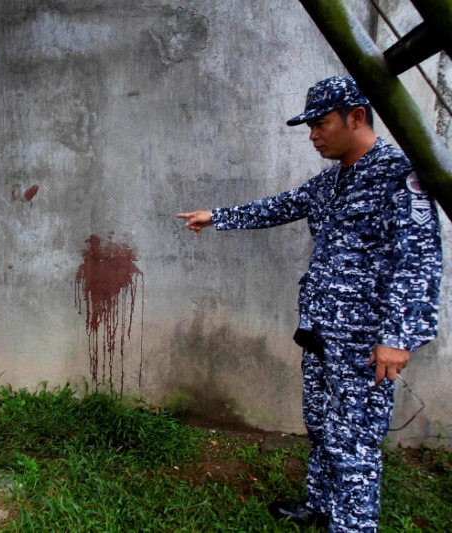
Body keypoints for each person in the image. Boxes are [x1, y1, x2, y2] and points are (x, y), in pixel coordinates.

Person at [177, 76, 442, 532]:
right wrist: (215, 217)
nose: (313, 135)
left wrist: (398, 338)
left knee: (354, 443)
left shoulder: (400, 176)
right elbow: (282, 205)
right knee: (321, 425)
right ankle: (320, 507)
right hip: (321, 332)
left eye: (320, 124)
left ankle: (352, 525)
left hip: (364, 343)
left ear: (356, 117)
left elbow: (419, 261)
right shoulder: (333, 181)